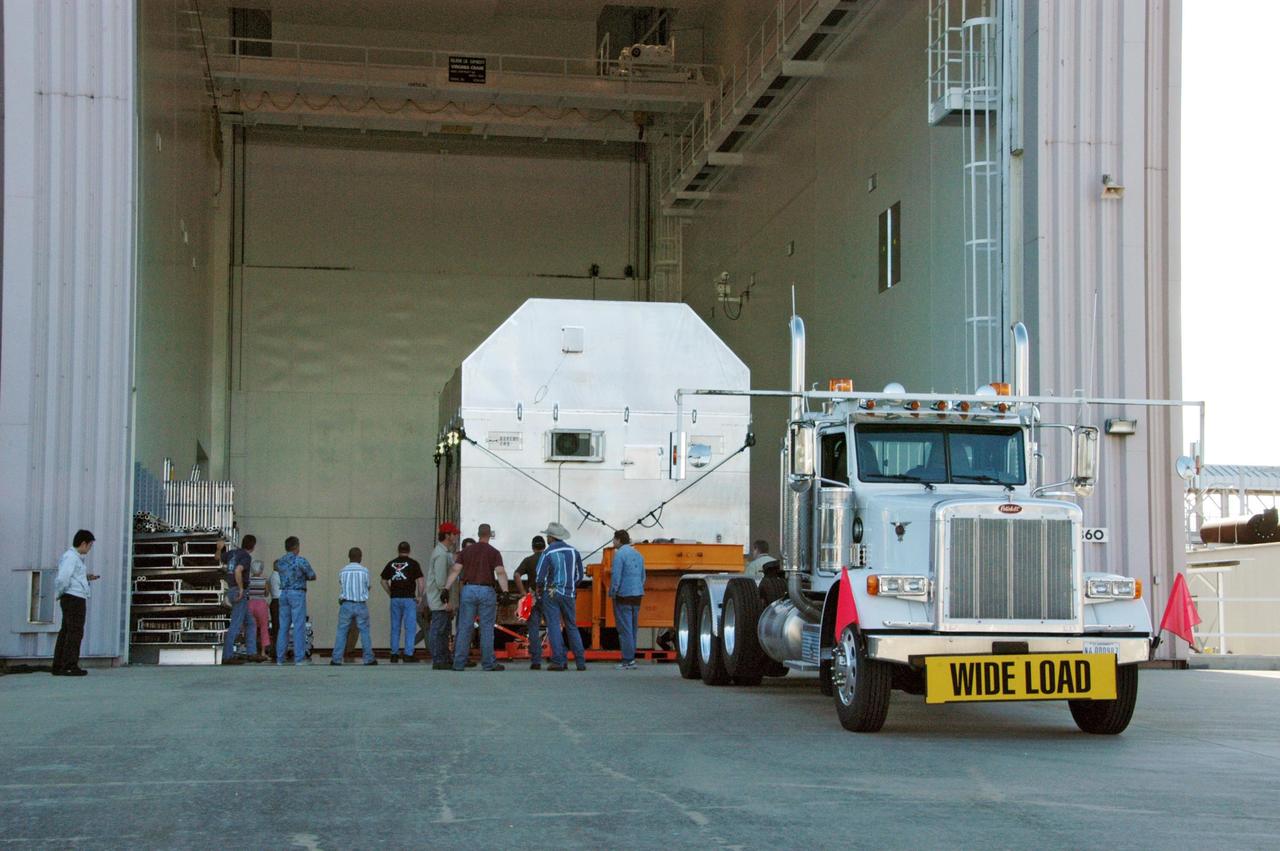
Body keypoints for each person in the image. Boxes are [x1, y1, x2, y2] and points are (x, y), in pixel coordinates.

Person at [445, 524, 509, 671]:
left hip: (468, 589)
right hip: (487, 591)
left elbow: (455, 570)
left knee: (465, 627)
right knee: (486, 629)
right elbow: (500, 572)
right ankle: (488, 663)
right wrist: (505, 591)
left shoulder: (466, 551)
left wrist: (446, 588)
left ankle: (458, 663)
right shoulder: (494, 552)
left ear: (478, 534)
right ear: (490, 535)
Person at [534, 521, 587, 672]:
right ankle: (580, 662)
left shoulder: (548, 552)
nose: (547, 539)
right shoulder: (574, 551)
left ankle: (558, 661)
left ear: (551, 537)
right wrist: (570, 587)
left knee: (554, 626)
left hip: (551, 593)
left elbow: (540, 576)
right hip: (569, 594)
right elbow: (579, 575)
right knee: (571, 626)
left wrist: (540, 590)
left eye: (547, 536)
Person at [52, 530, 98, 676]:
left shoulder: (73, 558)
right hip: (74, 598)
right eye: (90, 545)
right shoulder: (71, 557)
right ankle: (69, 665)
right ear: (83, 543)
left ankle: (59, 665)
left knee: (66, 630)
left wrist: (85, 578)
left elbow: (71, 577)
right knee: (75, 632)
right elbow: (63, 578)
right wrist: (60, 593)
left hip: (71, 597)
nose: (89, 549)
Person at [275, 536, 316, 666]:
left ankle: (280, 658)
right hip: (297, 594)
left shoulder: (280, 562)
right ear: (296, 547)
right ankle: (299, 658)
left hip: (284, 594)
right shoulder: (300, 561)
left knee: (283, 627)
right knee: (299, 626)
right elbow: (312, 575)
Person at [331, 548, 377, 666]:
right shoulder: (365, 571)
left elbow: (342, 585)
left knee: (341, 632)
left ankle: (336, 659)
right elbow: (368, 586)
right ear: (360, 557)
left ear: (349, 557)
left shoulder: (343, 571)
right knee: (364, 632)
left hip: (346, 604)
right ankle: (369, 658)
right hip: (360, 605)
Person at [219, 535, 259, 665]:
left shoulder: (232, 553)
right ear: (253, 546)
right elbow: (238, 570)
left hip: (231, 589)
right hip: (239, 591)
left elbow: (217, 557)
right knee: (235, 624)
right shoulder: (246, 557)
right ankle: (227, 656)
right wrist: (241, 589)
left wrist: (219, 548)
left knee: (251, 622)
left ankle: (251, 653)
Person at [380, 542, 424, 663]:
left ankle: (394, 654)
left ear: (398, 550)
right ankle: (408, 654)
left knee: (395, 627)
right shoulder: (414, 564)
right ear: (409, 550)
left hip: (395, 599)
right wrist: (420, 596)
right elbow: (420, 581)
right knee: (410, 627)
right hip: (409, 599)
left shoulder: (391, 563)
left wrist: (390, 593)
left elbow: (383, 581)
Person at [609, 530, 646, 670]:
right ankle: (632, 658)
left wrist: (613, 592)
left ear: (618, 540)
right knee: (633, 627)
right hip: (637, 594)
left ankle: (627, 660)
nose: (613, 542)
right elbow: (643, 577)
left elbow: (616, 577)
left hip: (623, 594)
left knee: (624, 629)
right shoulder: (638, 555)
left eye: (614, 539)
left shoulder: (619, 555)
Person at [424, 522, 460, 669]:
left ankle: (444, 657)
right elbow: (440, 581)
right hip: (439, 599)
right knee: (439, 630)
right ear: (447, 535)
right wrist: (446, 601)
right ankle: (438, 659)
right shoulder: (441, 554)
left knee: (443, 630)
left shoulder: (442, 552)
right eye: (454, 534)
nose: (456, 537)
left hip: (439, 598)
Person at [513, 535, 547, 669]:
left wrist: (523, 592)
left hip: (533, 596)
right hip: (548, 596)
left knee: (533, 628)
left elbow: (516, 575)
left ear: (533, 547)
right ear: (544, 547)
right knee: (554, 626)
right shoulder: (549, 559)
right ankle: (558, 658)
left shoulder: (528, 560)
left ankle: (536, 661)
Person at [246, 560, 272, 660]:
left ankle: (251, 652)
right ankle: (263, 652)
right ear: (261, 569)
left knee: (250, 628)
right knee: (263, 628)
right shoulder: (264, 580)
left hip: (250, 604)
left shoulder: (248, 580)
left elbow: (247, 593)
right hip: (261, 604)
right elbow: (266, 594)